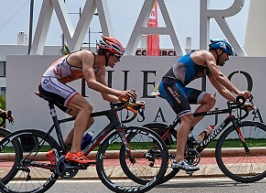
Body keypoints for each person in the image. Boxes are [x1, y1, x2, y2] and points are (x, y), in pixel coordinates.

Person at [38, 36, 139, 164]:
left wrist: (129, 104)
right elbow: (91, 83)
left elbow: (106, 96)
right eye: (117, 57)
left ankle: (58, 152)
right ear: (108, 53)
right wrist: (120, 92)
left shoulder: (100, 68)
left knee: (88, 119)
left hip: (54, 84)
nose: (118, 60)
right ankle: (75, 151)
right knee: (86, 108)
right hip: (49, 82)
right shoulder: (87, 56)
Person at [158, 39, 252, 172]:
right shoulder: (206, 55)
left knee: (210, 99)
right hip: (169, 85)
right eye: (227, 55)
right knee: (187, 118)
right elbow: (219, 76)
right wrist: (238, 92)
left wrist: (240, 102)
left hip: (179, 86)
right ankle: (179, 160)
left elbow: (222, 90)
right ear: (219, 51)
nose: (228, 59)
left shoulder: (207, 67)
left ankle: (187, 129)